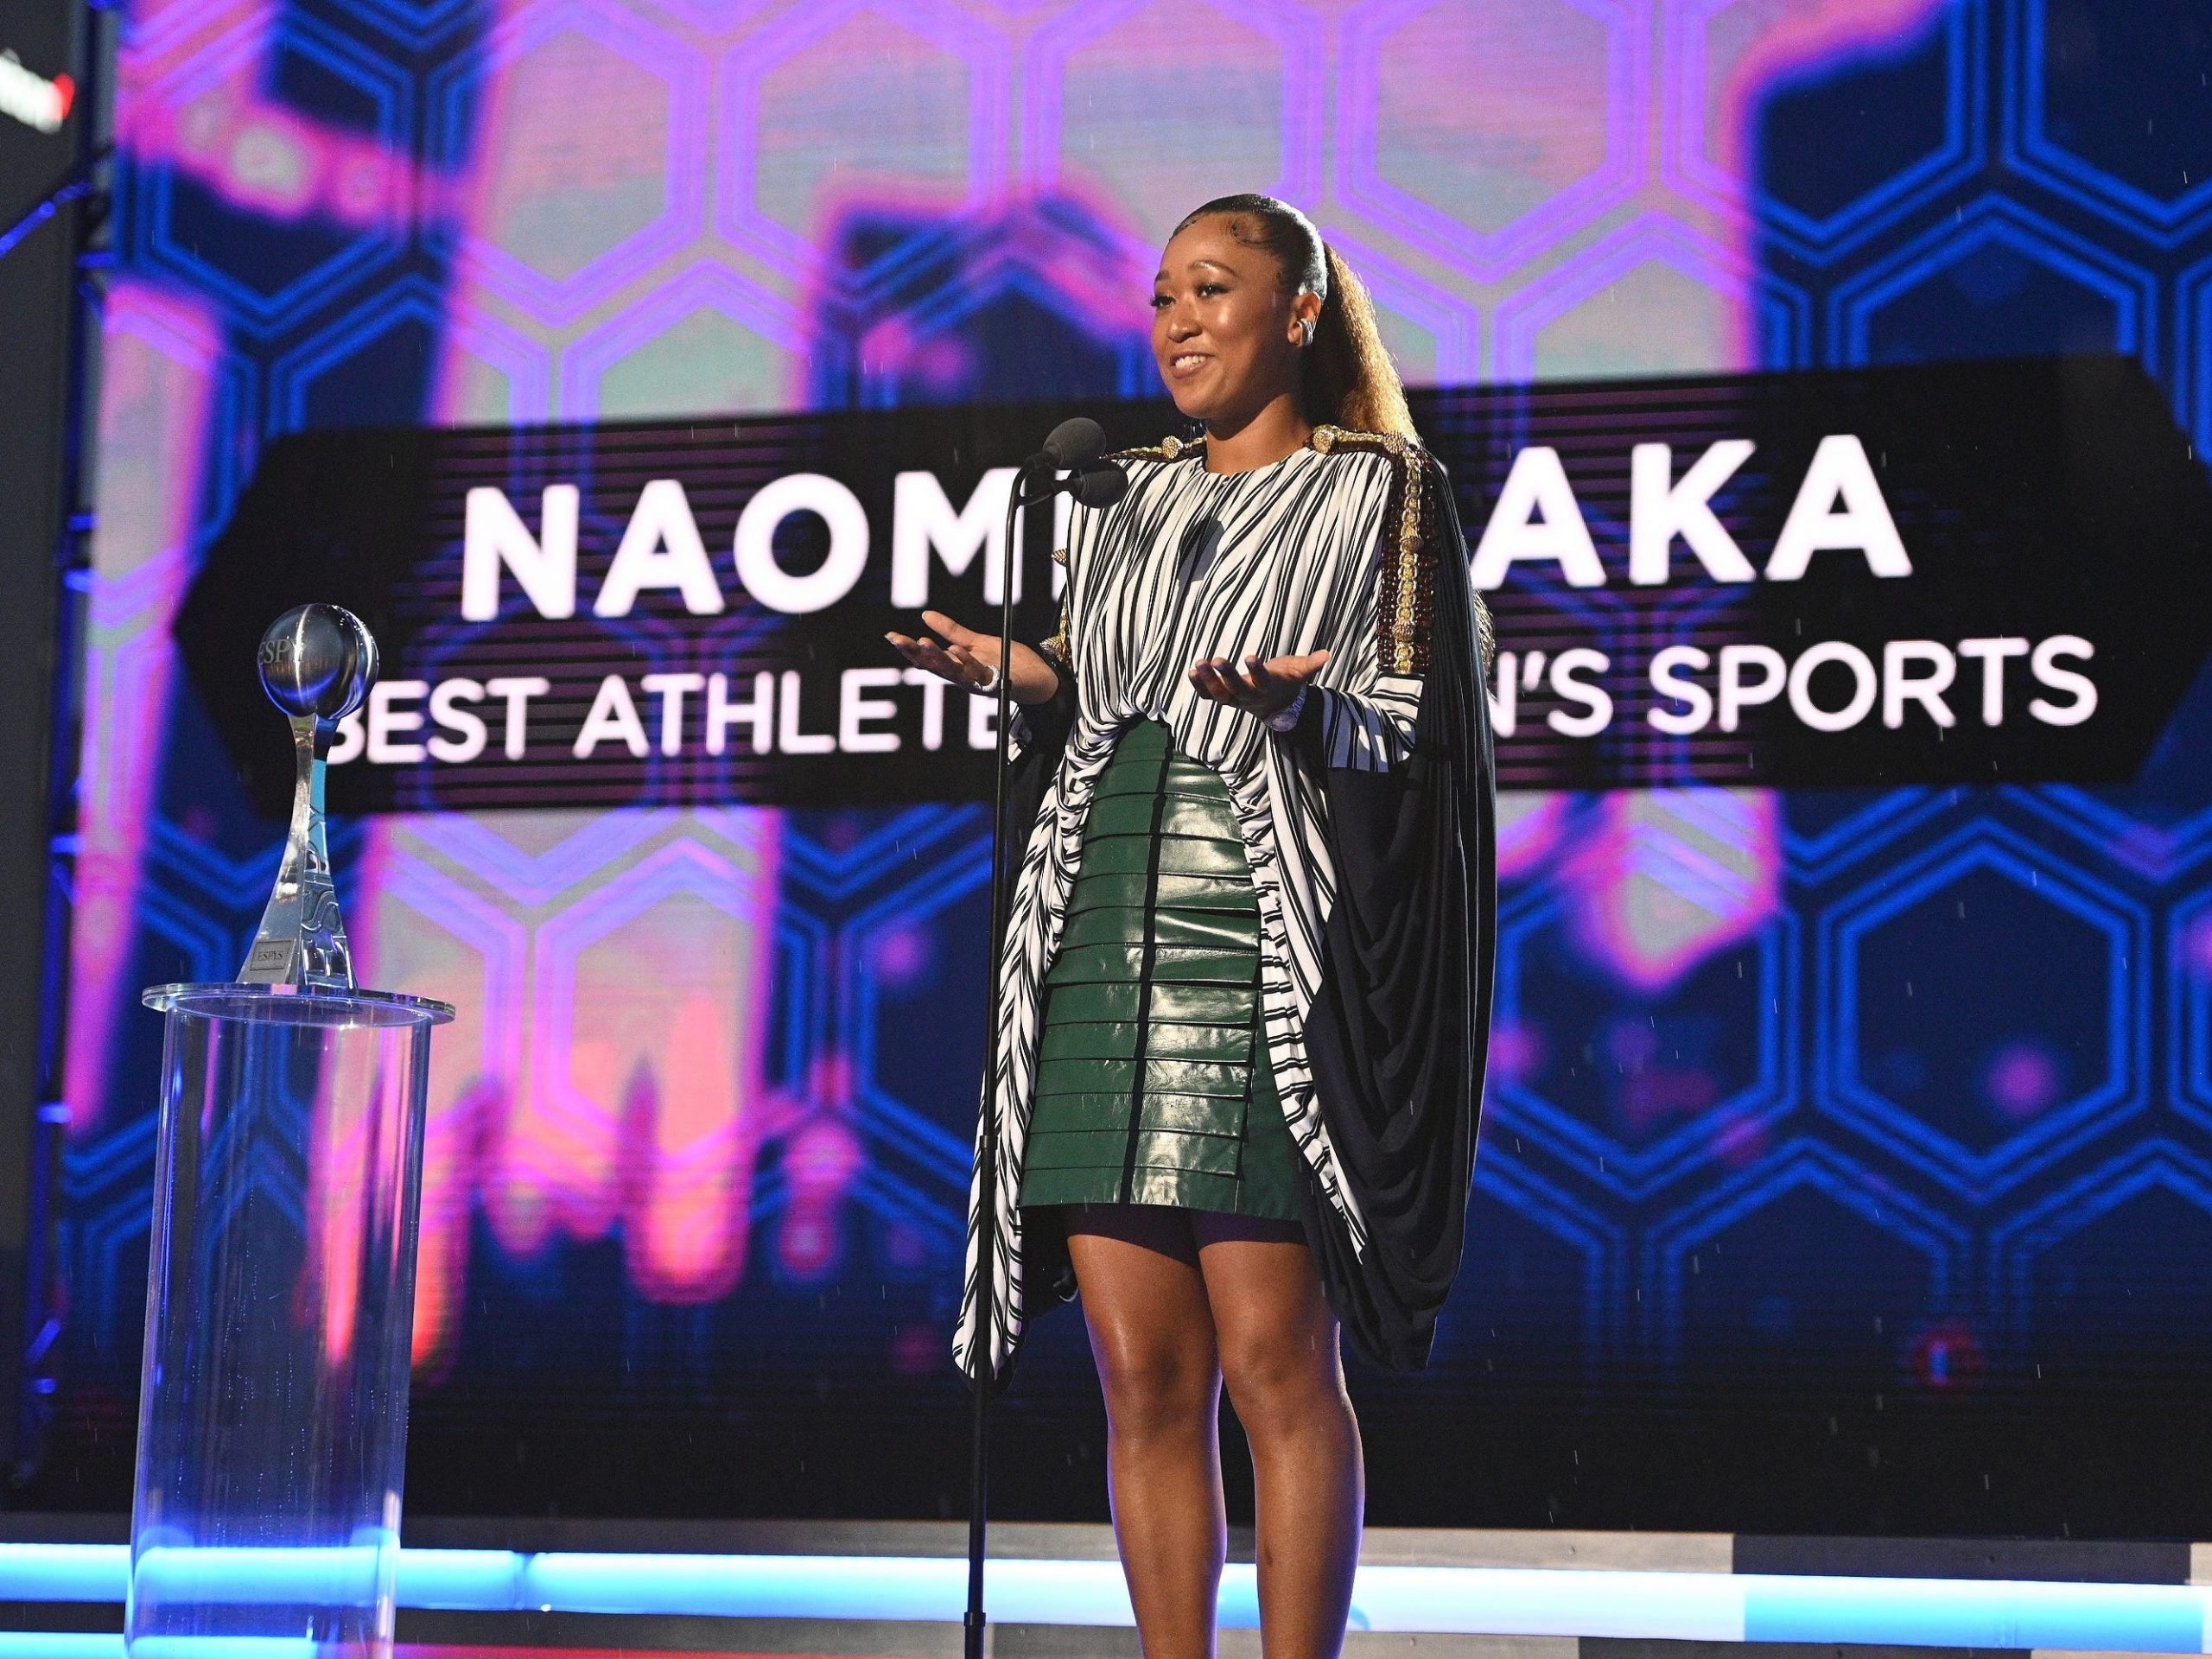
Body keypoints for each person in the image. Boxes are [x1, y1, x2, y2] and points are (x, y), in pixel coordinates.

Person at [888, 194, 1496, 1659]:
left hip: (1263, 961)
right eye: (1161, 293)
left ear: (1299, 314)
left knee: (1278, 1361)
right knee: (1140, 1376)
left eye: (1213, 288)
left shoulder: (1385, 494)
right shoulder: (1118, 498)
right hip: (1099, 951)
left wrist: (1303, 700)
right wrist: (1027, 679)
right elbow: (1111, 689)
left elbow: (1430, 724)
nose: (1175, 318)